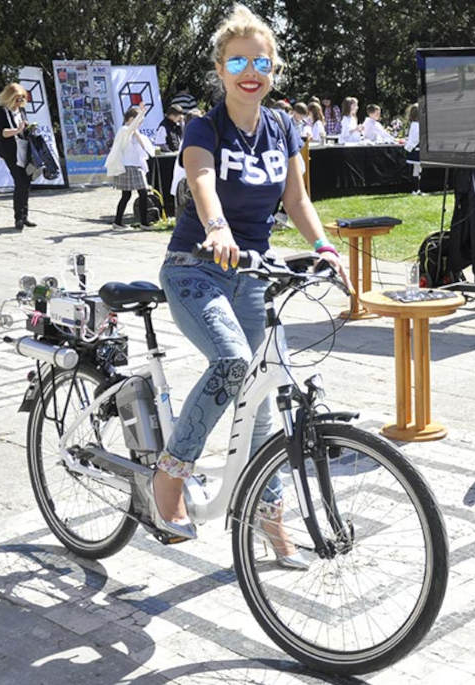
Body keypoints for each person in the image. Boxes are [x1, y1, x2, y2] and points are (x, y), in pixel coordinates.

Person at [154, 4, 349, 567]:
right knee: (233, 363)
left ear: (274, 69)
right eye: (237, 59)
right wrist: (216, 228)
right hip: (195, 268)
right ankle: (171, 477)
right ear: (219, 69)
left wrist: (324, 247)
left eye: (261, 60)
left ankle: (269, 517)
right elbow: (201, 177)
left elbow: (297, 198)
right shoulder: (203, 126)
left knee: (267, 394)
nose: (250, 70)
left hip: (250, 276)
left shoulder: (283, 126)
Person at [105, 103, 156, 229]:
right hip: (128, 166)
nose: (140, 123)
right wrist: (141, 113)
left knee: (131, 194)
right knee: (139, 193)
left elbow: (145, 147)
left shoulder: (135, 132)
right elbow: (129, 128)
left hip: (135, 165)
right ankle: (142, 222)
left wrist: (137, 131)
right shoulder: (124, 130)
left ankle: (118, 221)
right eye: (139, 121)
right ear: (132, 119)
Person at [0, 83, 35, 231]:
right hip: (10, 151)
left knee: (27, 182)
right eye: (17, 99)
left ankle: (25, 216)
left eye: (22, 98)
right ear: (9, 97)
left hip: (24, 149)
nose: (20, 101)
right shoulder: (1, 111)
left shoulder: (21, 110)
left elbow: (24, 128)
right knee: (20, 182)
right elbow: (1, 132)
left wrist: (28, 129)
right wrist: (17, 130)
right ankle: (18, 218)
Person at [404, 103, 422, 194]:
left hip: (416, 149)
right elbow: (415, 139)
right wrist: (408, 148)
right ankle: (415, 189)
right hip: (416, 150)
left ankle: (417, 189)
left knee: (417, 170)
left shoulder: (415, 124)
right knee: (417, 169)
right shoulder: (416, 125)